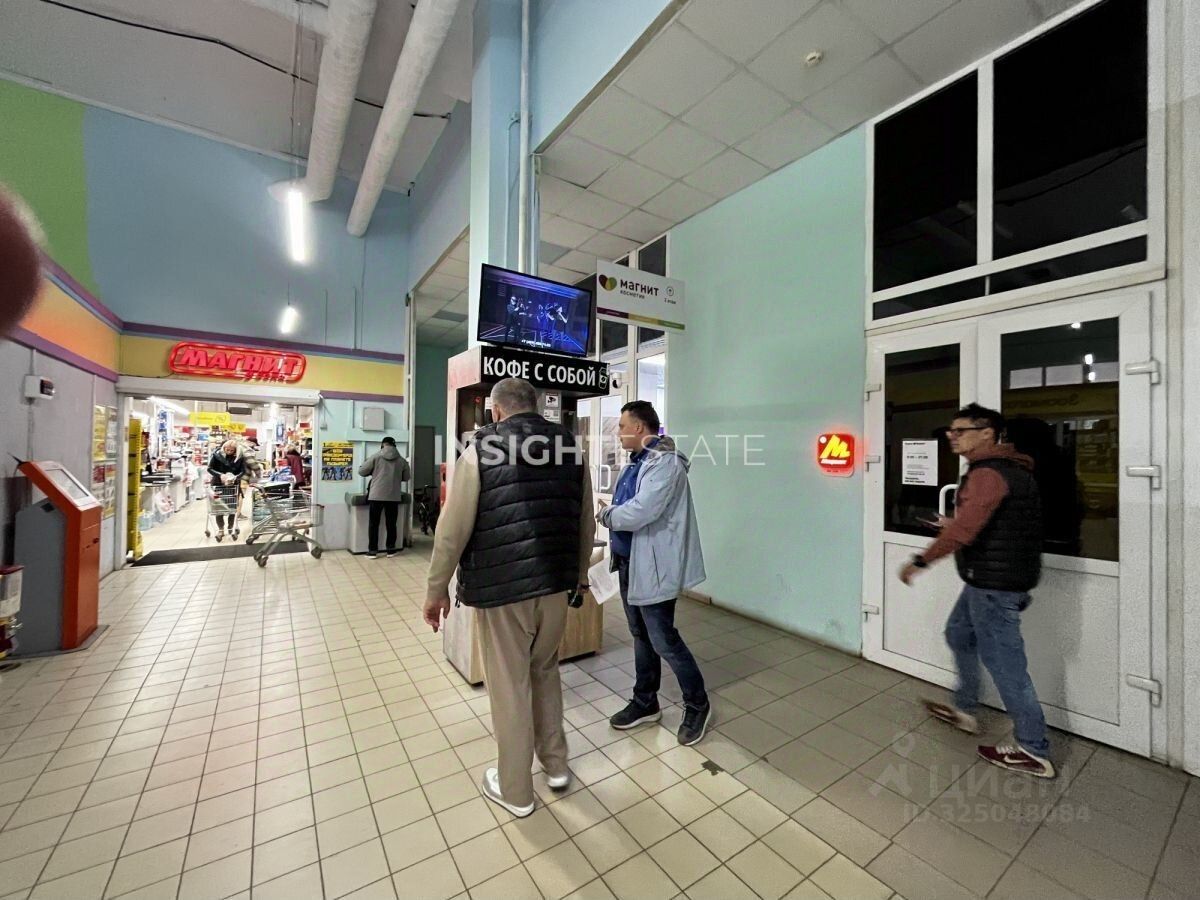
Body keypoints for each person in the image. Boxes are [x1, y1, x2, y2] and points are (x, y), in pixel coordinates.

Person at [423, 377, 595, 818]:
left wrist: (436, 588)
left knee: (509, 687)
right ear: (535, 406)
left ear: (495, 410)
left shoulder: (481, 449)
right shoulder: (571, 448)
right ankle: (556, 766)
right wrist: (579, 578)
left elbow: (452, 529)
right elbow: (585, 521)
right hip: (556, 585)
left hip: (504, 589)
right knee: (545, 671)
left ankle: (516, 790)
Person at [900, 403, 1053, 778]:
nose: (952, 436)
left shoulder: (988, 474)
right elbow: (989, 523)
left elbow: (966, 532)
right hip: (988, 580)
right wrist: (954, 524)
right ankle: (965, 708)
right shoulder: (1005, 470)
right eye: (950, 430)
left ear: (987, 433)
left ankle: (1033, 749)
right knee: (958, 633)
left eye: (961, 430)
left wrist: (921, 561)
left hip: (995, 586)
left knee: (1006, 666)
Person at [598, 401, 711, 747]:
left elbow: (640, 512)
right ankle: (646, 701)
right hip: (630, 562)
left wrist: (607, 516)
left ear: (639, 427)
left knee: (663, 638)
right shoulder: (637, 462)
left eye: (622, 426)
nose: (618, 433)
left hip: (653, 567)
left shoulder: (665, 463)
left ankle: (698, 704)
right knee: (641, 635)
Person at [358, 436, 410, 558]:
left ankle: (372, 551)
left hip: (376, 496)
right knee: (391, 524)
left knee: (374, 524)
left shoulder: (375, 457)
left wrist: (373, 471)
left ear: (383, 445)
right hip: (393, 496)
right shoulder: (402, 460)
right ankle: (391, 550)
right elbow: (406, 477)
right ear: (394, 445)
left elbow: (361, 472)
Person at [207, 440, 246, 540]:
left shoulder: (239, 457)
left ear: (235, 450)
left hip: (233, 485)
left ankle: (230, 527)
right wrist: (220, 475)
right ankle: (221, 529)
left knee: (232, 507)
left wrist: (235, 477)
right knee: (218, 507)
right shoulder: (216, 455)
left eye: (231, 450)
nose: (229, 452)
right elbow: (209, 468)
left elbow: (243, 471)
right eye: (227, 449)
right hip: (218, 484)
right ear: (223, 448)